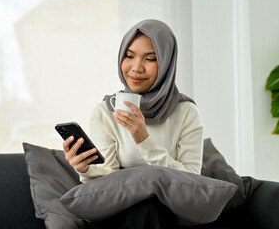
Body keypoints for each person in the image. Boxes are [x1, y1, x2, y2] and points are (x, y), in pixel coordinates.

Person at [63, 19, 203, 184]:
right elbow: (107, 180)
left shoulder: (186, 112)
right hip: (125, 205)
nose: (136, 68)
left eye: (150, 59)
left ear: (167, 63)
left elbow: (193, 180)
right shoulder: (104, 113)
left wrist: (143, 139)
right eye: (129, 56)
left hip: (169, 205)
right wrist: (85, 169)